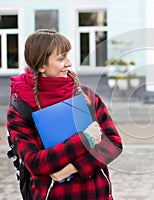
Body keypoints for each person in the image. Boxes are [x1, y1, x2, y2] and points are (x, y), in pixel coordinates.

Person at [6, 29, 122, 200]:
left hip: (97, 195)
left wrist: (73, 168)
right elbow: (35, 163)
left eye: (67, 56)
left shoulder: (85, 95)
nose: (68, 63)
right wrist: (85, 139)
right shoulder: (21, 108)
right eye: (61, 58)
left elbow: (113, 144)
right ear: (41, 66)